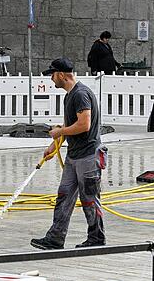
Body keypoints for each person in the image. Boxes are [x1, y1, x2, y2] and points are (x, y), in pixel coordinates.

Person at [31, 57, 107, 250]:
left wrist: (60, 132)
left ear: (62, 75)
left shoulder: (81, 94)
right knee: (64, 196)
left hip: (89, 156)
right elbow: (70, 124)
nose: (51, 79)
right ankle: (55, 238)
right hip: (74, 156)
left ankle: (96, 239)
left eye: (53, 75)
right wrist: (54, 144)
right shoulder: (70, 95)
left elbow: (84, 124)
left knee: (89, 198)